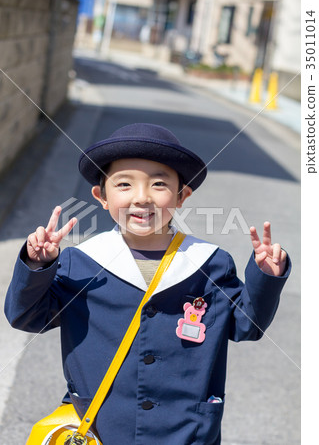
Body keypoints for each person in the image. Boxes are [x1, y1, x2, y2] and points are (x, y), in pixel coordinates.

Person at [5, 123, 290, 444]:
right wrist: (38, 264)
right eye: (124, 184)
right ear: (101, 196)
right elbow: (25, 316)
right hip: (102, 429)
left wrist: (265, 274)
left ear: (182, 195)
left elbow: (246, 326)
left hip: (185, 432)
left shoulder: (210, 263)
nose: (142, 197)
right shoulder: (80, 262)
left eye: (158, 184)